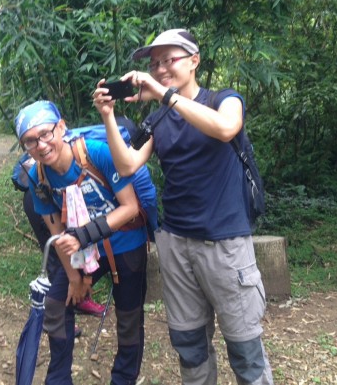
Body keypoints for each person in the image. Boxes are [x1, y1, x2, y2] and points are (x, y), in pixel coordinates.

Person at [93, 29, 274, 385]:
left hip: (224, 245)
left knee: (245, 351)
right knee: (190, 347)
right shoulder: (158, 121)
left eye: (168, 60)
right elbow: (128, 165)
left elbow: (225, 128)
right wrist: (109, 117)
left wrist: (164, 95)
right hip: (176, 245)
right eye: (154, 63)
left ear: (194, 61)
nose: (159, 69)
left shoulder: (224, 99)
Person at [15, 101, 149, 385]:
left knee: (129, 320)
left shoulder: (96, 153)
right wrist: (76, 276)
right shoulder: (37, 178)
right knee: (56, 303)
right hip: (85, 248)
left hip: (126, 243)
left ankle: (123, 380)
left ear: (61, 127)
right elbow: (58, 233)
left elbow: (130, 208)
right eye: (29, 141)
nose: (40, 145)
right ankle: (59, 378)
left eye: (45, 134)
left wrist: (82, 236)